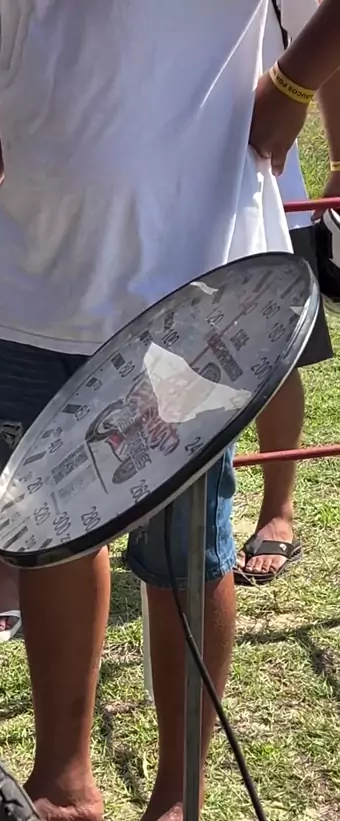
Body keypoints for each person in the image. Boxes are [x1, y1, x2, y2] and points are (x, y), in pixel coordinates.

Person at [0, 0, 340, 821]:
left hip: (195, 294)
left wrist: (295, 88)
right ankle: (63, 778)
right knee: (45, 536)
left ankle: (177, 798)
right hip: (27, 293)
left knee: (185, 551)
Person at [235, 0, 340, 585]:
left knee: (275, 361)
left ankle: (278, 509)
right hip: (137, 199)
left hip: (265, 187)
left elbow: (325, 41)